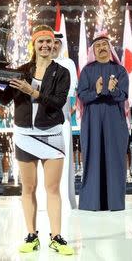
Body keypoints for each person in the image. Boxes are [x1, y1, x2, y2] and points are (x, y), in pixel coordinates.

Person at [0, 25, 74, 255]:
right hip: (25, 136)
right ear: (33, 45)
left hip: (52, 135)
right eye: (40, 41)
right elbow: (5, 99)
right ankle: (32, 235)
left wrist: (32, 91)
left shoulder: (62, 72)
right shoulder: (22, 71)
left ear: (54, 44)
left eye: (48, 41)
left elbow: (57, 102)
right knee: (29, 188)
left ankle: (56, 237)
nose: (45, 45)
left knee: (52, 189)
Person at [77, 35, 129, 211]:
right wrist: (97, 92)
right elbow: (82, 96)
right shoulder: (86, 71)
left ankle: (114, 202)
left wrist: (113, 90)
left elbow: (123, 96)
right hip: (92, 122)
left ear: (110, 48)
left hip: (115, 122)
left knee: (115, 159)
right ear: (93, 50)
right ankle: (92, 203)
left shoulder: (120, 71)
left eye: (104, 45)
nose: (101, 48)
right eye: (97, 45)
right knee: (92, 157)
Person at [52, 32, 77, 209]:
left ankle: (64, 200)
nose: (53, 46)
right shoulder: (39, 63)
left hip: (62, 115)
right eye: (50, 42)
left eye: (56, 43)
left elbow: (70, 90)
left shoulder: (68, 63)